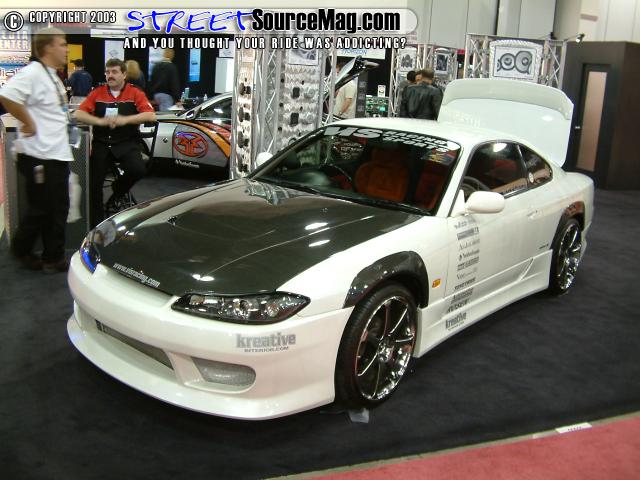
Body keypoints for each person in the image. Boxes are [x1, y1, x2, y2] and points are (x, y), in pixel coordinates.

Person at [0, 27, 72, 273]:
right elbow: (7, 95)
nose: (66, 49)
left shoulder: (52, 75)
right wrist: (28, 122)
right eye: (62, 44)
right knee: (44, 209)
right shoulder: (33, 72)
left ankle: (51, 256)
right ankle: (27, 250)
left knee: (55, 208)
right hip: (40, 155)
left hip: (54, 153)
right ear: (48, 47)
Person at [75, 58, 156, 228]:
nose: (110, 75)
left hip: (126, 143)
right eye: (107, 72)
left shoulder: (135, 93)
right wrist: (99, 122)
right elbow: (79, 114)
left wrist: (125, 120)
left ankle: (118, 190)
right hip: (102, 144)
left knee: (138, 169)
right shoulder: (97, 92)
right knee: (93, 184)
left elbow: (150, 115)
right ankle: (96, 225)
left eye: (114, 72)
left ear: (124, 74)